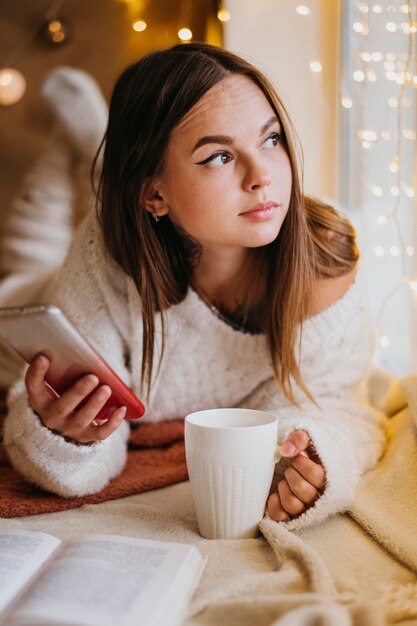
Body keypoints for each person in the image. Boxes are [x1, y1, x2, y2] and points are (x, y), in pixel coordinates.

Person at [3, 43, 386, 530]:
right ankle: (81, 144)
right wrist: (67, 439)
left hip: (154, 211)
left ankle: (99, 146)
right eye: (220, 156)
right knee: (32, 254)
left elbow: (339, 408)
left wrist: (315, 457)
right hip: (28, 298)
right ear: (154, 193)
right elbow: (76, 448)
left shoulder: (323, 261)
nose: (262, 176)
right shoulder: (106, 252)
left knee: (114, 189)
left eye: (270, 140)